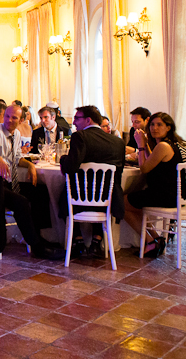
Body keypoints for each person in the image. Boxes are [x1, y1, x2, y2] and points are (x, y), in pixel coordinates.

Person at [0, 105, 62, 260]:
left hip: (9, 182)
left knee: (40, 191)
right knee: (21, 202)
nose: (9, 120)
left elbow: (17, 157)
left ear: (21, 120)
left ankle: (40, 236)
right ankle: (36, 246)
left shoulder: (17, 134)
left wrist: (29, 165)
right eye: (7, 116)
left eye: (14, 118)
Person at [62, 105, 126, 257]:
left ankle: (77, 239)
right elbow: (119, 172)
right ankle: (97, 240)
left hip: (81, 196)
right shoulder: (118, 142)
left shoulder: (80, 137)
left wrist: (63, 159)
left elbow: (71, 167)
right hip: (110, 197)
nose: (74, 122)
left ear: (88, 120)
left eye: (77, 118)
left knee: (66, 189)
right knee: (98, 190)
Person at [123, 112, 186, 258]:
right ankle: (155, 238)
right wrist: (145, 146)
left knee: (122, 202)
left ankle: (150, 241)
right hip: (172, 194)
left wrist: (140, 145)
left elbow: (144, 168)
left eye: (159, 125)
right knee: (134, 204)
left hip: (165, 195)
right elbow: (151, 160)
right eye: (152, 124)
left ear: (168, 128)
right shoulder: (168, 144)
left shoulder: (163, 146)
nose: (154, 128)